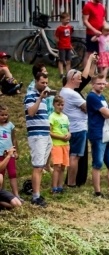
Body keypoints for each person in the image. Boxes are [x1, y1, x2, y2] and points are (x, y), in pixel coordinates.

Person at [86, 75, 109, 199]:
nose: (102, 86)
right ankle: (97, 192)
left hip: (108, 133)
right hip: (97, 133)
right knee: (98, 163)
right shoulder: (92, 97)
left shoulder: (102, 97)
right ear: (93, 84)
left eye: (103, 84)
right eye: (99, 83)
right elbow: (106, 112)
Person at [25, 71, 54, 207]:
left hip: (45, 134)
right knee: (37, 166)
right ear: (36, 82)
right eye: (42, 82)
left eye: (46, 83)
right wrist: (40, 99)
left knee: (41, 166)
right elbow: (31, 113)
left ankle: (37, 192)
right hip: (37, 135)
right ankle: (35, 197)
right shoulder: (31, 95)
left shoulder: (44, 97)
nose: (45, 85)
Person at [49, 95, 71, 194]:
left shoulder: (65, 117)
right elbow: (49, 132)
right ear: (54, 104)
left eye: (62, 105)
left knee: (63, 166)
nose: (60, 107)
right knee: (57, 166)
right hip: (56, 144)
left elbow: (68, 130)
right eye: (58, 104)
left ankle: (60, 186)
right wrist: (60, 137)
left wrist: (69, 135)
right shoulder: (52, 116)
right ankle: (54, 187)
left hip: (65, 145)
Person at [0, 104, 19, 198]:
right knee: (1, 174)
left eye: (6, 115)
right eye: (2, 115)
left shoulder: (10, 125)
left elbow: (14, 139)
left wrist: (15, 151)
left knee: (12, 173)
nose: (4, 117)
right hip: (0, 154)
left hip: (10, 153)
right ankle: (2, 194)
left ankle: (16, 194)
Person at [82, 0, 106, 68]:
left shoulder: (101, 7)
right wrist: (94, 30)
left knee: (96, 54)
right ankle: (86, 75)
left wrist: (108, 29)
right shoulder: (88, 6)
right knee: (89, 53)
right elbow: (85, 21)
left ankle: (92, 73)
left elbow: (103, 20)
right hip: (91, 34)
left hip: (100, 34)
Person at [55, 12, 74, 80]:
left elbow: (69, 36)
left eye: (69, 19)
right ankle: (61, 74)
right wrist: (58, 42)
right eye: (66, 19)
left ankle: (68, 73)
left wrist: (70, 44)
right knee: (61, 60)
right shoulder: (59, 28)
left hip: (68, 46)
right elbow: (56, 36)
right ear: (62, 20)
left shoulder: (69, 27)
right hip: (62, 46)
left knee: (68, 60)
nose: (68, 21)